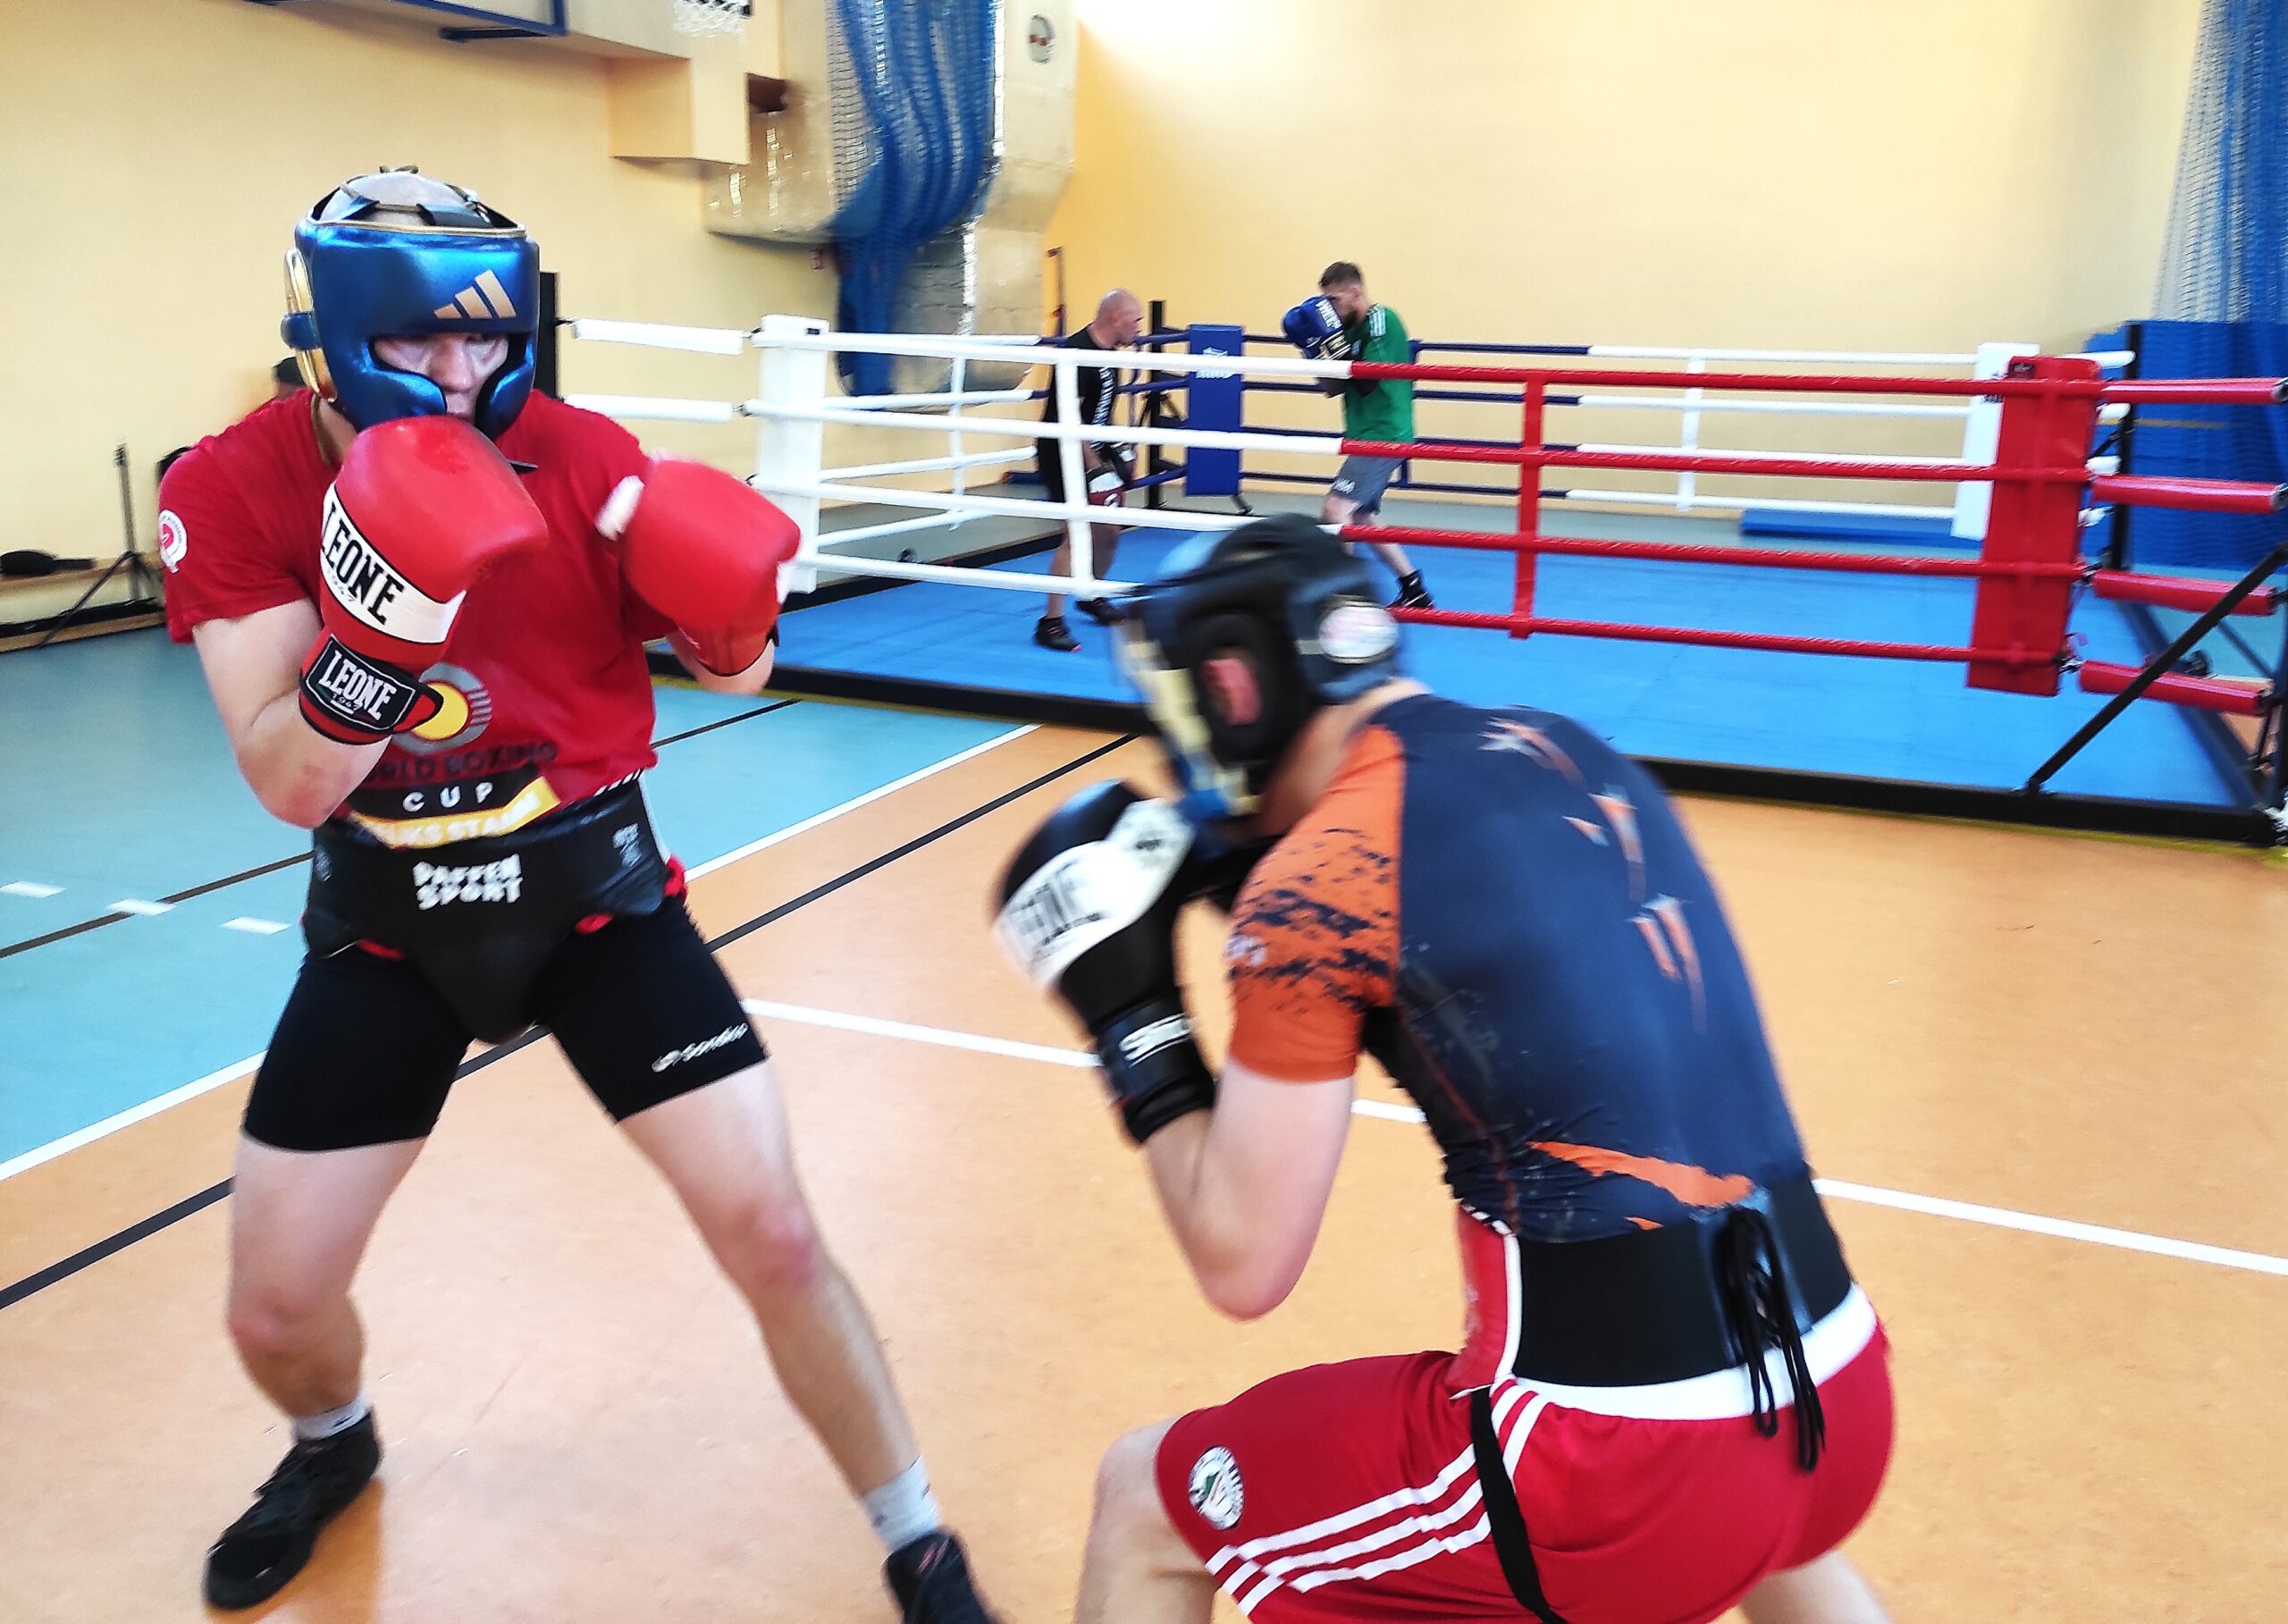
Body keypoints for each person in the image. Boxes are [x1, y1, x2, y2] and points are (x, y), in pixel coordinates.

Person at [159, 169, 997, 1622]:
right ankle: (332, 1441)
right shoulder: (233, 487)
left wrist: (732, 607)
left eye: (484, 334)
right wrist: (387, 617)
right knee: (274, 1306)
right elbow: (292, 779)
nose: (459, 371)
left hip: (594, 895)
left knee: (776, 1229)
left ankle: (915, 1531)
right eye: (420, 338)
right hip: (388, 923)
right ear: (333, 332)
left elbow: (742, 671)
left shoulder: (576, 452)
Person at [994, 513, 1895, 1624]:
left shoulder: (1320, 882)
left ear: (1234, 687)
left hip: (1611, 1466)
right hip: (1833, 1390)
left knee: (1145, 1498)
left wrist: (1130, 1018)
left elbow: (1243, 1262)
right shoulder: (1569, 750)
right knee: (1746, 1512)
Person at [1281, 262, 1433, 610]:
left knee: (1336, 509)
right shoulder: (1344, 331)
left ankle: (1340, 597)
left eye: (1334, 300)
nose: (1330, 309)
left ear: (1355, 292)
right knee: (1359, 514)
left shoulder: (1381, 320)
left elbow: (1367, 381)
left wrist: (1335, 344)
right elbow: (1332, 388)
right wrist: (1312, 351)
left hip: (1385, 433)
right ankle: (1414, 589)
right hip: (1366, 433)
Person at [1032, 288, 1145, 652]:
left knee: (1110, 531)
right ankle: (1050, 622)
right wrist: (1096, 468)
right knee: (1076, 533)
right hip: (1061, 452)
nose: (1139, 328)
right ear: (1116, 318)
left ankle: (1090, 592)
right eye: (1135, 320)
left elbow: (1100, 413)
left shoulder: (1109, 354)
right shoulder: (1077, 353)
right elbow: (1070, 418)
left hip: (1093, 447)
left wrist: (1121, 449)